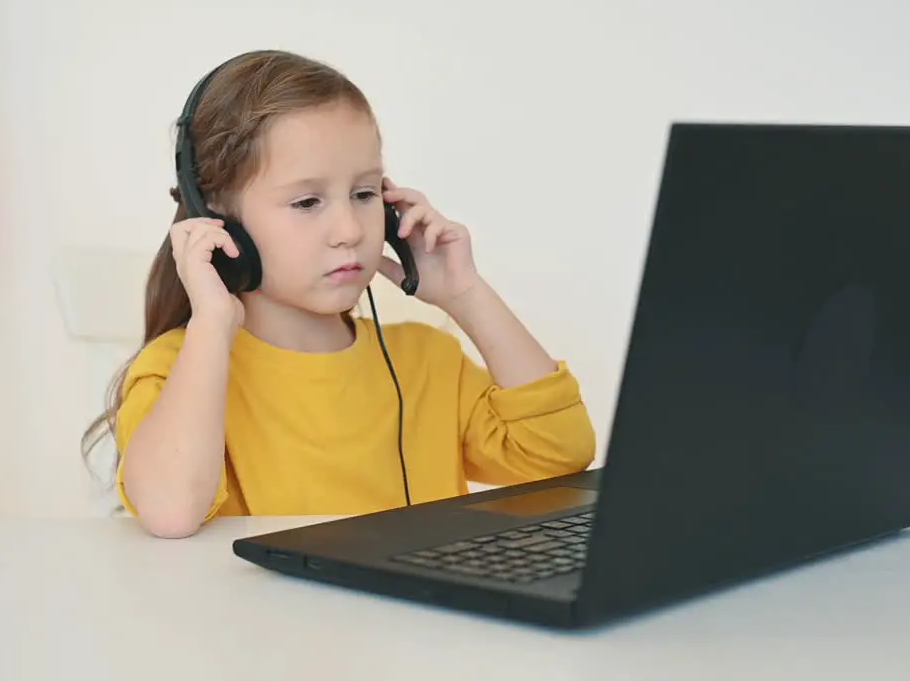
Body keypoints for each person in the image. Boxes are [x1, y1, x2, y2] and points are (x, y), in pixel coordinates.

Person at [81, 50, 596, 538]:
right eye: (307, 202)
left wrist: (465, 295)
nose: (349, 228)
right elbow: (171, 513)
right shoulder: (180, 370)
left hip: (410, 628)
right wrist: (213, 321)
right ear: (219, 218)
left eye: (365, 193)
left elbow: (558, 453)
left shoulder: (427, 359)